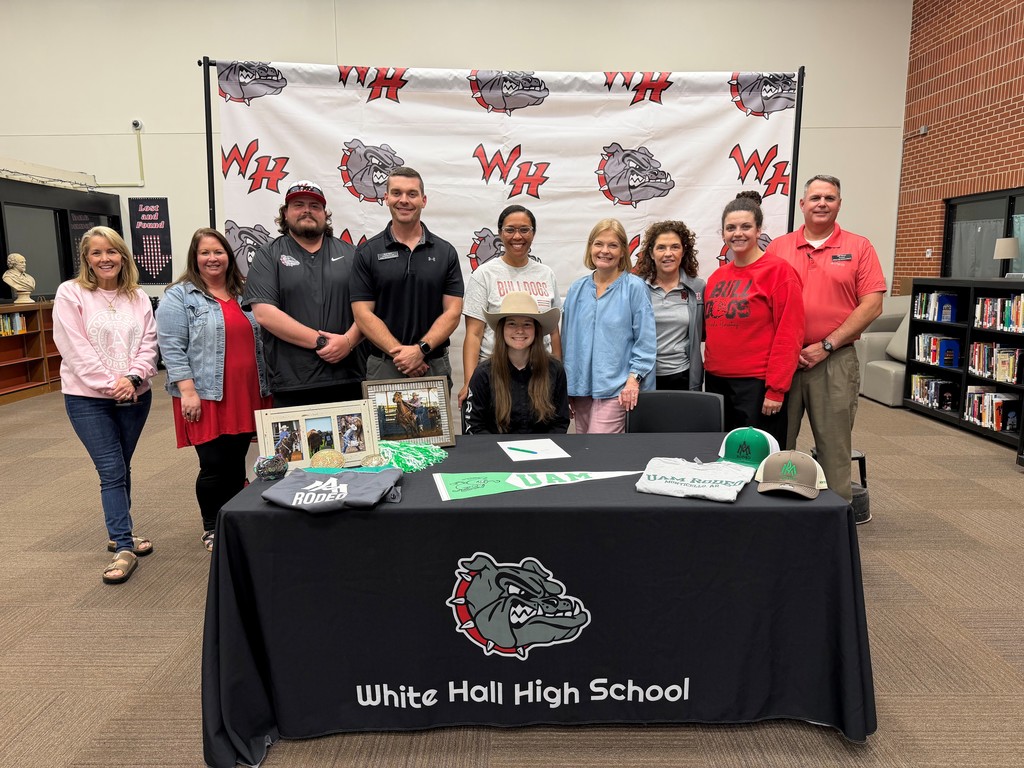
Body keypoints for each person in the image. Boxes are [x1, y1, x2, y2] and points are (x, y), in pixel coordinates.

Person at [765, 174, 886, 502]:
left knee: (834, 451)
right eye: (815, 198)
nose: (822, 203)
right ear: (802, 204)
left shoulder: (858, 247)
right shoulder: (779, 247)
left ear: (839, 204)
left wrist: (827, 344)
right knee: (776, 446)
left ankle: (835, 529)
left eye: (829, 198)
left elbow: (873, 304)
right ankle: (775, 519)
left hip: (834, 360)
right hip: (783, 362)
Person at [53, 226, 158, 585]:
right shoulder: (71, 293)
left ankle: (119, 531)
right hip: (87, 399)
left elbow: (149, 344)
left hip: (135, 395)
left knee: (122, 465)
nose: (105, 259)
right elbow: (73, 346)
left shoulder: (138, 297)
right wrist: (109, 384)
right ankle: (124, 548)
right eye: (96, 253)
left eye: (111, 251)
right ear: (86, 259)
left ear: (123, 256)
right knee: (111, 469)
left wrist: (131, 380)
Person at [156, 228, 272, 552]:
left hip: (247, 391)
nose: (212, 258)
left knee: (237, 463)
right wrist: (188, 391)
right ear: (195, 258)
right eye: (205, 253)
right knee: (214, 466)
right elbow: (171, 347)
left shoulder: (244, 291)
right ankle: (211, 526)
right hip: (205, 395)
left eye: (218, 252)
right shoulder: (179, 296)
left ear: (228, 256)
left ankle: (232, 520)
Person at [242, 180, 365, 407]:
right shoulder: (268, 255)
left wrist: (348, 341)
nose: (307, 210)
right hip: (292, 382)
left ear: (324, 215)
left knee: (353, 443)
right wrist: (320, 342)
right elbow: (264, 313)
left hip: (348, 377)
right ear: (285, 213)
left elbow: (369, 308)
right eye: (298, 204)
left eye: (315, 206)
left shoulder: (351, 253)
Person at [351, 167, 464, 393]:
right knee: (384, 430)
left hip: (431, 365)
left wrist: (420, 350)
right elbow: (362, 314)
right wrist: (402, 355)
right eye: (396, 193)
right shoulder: (367, 253)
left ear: (423, 200)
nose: (404, 200)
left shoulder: (445, 252)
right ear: (386, 198)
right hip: (385, 365)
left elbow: (453, 312)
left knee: (436, 430)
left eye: (412, 194)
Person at [703, 196, 804, 446]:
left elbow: (789, 334)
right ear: (723, 233)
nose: (738, 233)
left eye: (745, 227)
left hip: (756, 386)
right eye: (731, 228)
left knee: (756, 458)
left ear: (759, 230)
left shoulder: (779, 271)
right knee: (721, 454)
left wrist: (776, 390)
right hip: (717, 383)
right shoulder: (717, 276)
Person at [459, 205, 561, 406]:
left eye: (524, 230)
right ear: (500, 233)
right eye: (510, 230)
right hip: (497, 374)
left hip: (539, 375)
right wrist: (470, 382)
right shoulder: (484, 275)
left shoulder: (546, 274)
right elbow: (474, 334)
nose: (517, 236)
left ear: (533, 233)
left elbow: (554, 332)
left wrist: (558, 376)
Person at [562, 219, 656, 433]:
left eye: (612, 245)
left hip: (618, 389)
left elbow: (646, 341)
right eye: (599, 244)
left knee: (599, 449)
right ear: (590, 248)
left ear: (623, 251)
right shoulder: (577, 289)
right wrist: (566, 388)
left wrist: (634, 379)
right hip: (580, 389)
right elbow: (567, 341)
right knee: (585, 448)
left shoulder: (635, 288)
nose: (604, 251)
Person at [464, 292, 570, 434]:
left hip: (542, 452)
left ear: (536, 330)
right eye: (512, 323)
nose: (519, 330)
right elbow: (474, 425)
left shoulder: (555, 370)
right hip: (495, 452)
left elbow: (560, 422)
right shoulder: (483, 373)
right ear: (502, 329)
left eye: (527, 324)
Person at [634, 220, 705, 391]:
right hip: (643, 377)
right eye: (661, 248)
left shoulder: (697, 288)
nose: (668, 254)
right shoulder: (637, 288)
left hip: (683, 375)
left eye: (674, 247)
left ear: (683, 251)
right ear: (651, 253)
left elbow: (702, 333)